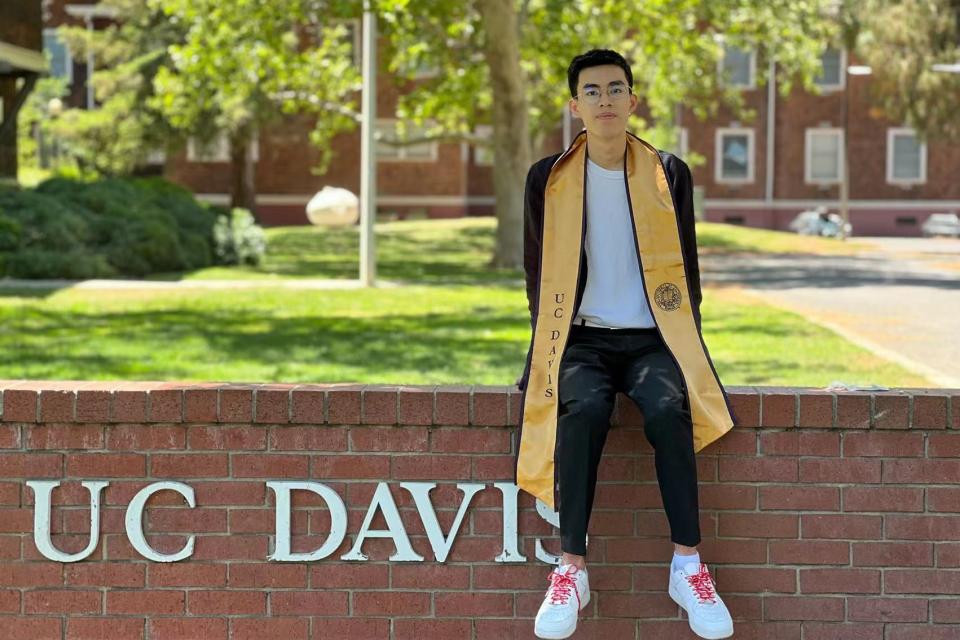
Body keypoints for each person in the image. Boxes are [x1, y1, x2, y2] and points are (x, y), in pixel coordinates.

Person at [513, 49, 736, 640]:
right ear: (574, 105)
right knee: (582, 409)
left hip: (651, 340)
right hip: (581, 339)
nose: (605, 99)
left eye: (616, 89)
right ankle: (570, 569)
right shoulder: (550, 177)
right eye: (593, 91)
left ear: (633, 100)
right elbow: (537, 271)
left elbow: (685, 270)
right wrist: (543, 351)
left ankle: (688, 564)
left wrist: (690, 350)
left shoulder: (668, 172)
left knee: (667, 407)